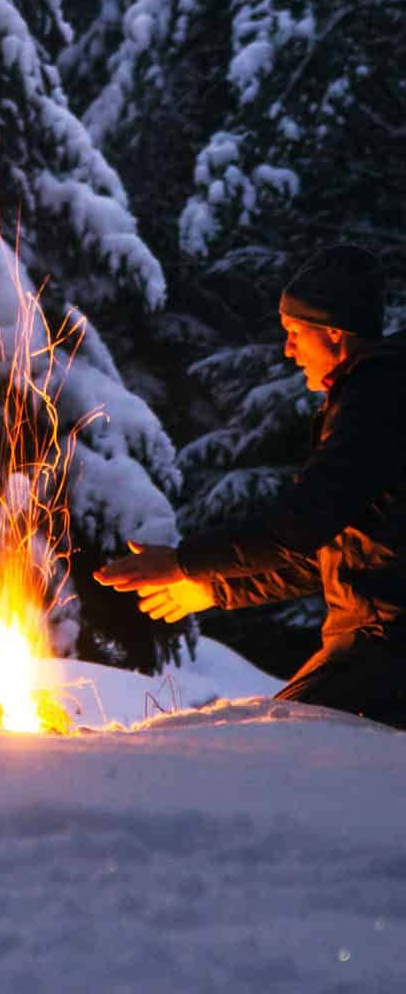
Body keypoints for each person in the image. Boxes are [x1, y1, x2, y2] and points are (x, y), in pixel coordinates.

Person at [96, 243, 406, 729]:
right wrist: (215, 591)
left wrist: (181, 561)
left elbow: (299, 526)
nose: (288, 349)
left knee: (277, 745)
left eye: (294, 333)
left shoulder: (376, 398)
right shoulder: (375, 398)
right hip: (375, 645)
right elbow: (334, 556)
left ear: (333, 332)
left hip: (385, 648)